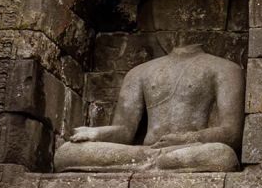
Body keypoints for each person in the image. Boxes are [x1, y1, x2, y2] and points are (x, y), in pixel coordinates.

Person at [52, 43, 244, 173]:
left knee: (221, 156)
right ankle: (154, 164)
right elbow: (125, 132)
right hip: (143, 152)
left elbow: (231, 133)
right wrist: (95, 133)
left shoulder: (225, 68)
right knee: (66, 152)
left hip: (188, 150)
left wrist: (188, 138)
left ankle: (155, 164)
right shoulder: (140, 71)